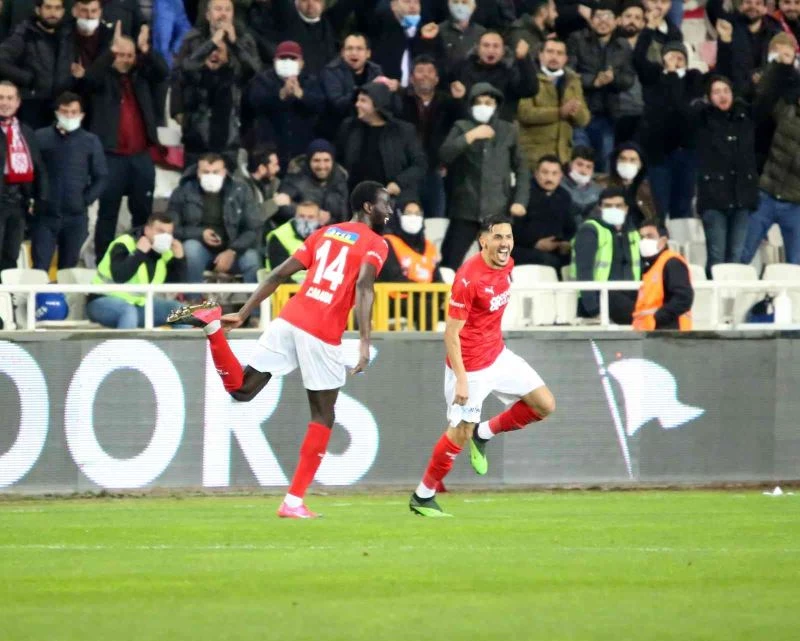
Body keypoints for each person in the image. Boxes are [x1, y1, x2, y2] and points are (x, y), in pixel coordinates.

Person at [166, 181, 392, 519]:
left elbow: (278, 273)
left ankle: (213, 329)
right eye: (386, 204)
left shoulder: (325, 233)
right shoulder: (376, 243)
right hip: (321, 330)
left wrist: (244, 312)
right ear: (368, 207)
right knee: (323, 415)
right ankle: (294, 501)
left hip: (291, 317)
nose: (390, 211)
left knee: (242, 389)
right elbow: (363, 286)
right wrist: (364, 342)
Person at [409, 215, 556, 517]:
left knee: (544, 405)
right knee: (458, 433)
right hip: (470, 366)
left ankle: (484, 432)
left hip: (498, 355)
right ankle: (422, 496)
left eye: (508, 237)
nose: (504, 243)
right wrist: (462, 379)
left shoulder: (507, 263)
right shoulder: (468, 278)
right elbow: (451, 334)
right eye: (498, 237)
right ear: (483, 241)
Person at [84, 22, 168, 262]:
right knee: (107, 213)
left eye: (129, 55)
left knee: (143, 213)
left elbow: (163, 72)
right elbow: (89, 79)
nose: (125, 59)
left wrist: (146, 51)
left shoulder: (142, 76)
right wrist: (110, 52)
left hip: (141, 156)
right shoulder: (102, 78)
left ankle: (140, 261)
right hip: (111, 156)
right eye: (120, 54)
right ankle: (104, 262)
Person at [439, 82, 529, 269]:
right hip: (465, 209)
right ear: (471, 105)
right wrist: (470, 136)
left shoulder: (508, 130)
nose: (483, 106)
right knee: (449, 264)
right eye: (478, 102)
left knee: (498, 267)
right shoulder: (462, 127)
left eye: (488, 103)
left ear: (496, 105)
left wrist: (520, 200)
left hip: (497, 210)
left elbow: (522, 168)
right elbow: (445, 154)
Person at [32, 91, 107, 271]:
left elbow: (101, 176)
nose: (69, 116)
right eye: (65, 111)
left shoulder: (91, 141)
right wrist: (36, 198)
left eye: (73, 112)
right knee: (39, 268)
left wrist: (85, 200)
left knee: (68, 270)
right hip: (45, 215)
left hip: (76, 217)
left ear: (81, 115)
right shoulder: (40, 137)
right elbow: (31, 170)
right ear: (57, 112)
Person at [692, 75, 758, 272]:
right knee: (717, 256)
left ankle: (733, 293)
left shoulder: (745, 119)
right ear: (708, 97)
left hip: (742, 198)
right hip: (713, 199)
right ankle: (713, 292)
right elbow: (683, 113)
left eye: (726, 91)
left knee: (736, 256)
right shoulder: (702, 121)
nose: (722, 96)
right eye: (716, 92)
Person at [168, 152, 262, 284]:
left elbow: (253, 228)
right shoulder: (183, 191)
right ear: (198, 173)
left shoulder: (241, 190)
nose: (210, 176)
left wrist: (233, 251)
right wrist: (200, 233)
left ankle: (255, 298)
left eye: (215, 172)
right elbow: (171, 228)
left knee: (252, 259)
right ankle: (192, 296)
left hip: (234, 249)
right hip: (200, 249)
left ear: (224, 172)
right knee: (191, 249)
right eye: (205, 172)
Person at [567, 1, 636, 172]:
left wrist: (613, 79)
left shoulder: (623, 45)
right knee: (579, 160)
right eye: (598, 16)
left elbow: (628, 79)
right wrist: (594, 81)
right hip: (580, 111)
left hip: (608, 115)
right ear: (590, 20)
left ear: (617, 21)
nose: (603, 21)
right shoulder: (577, 39)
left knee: (605, 163)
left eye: (608, 17)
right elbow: (568, 73)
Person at [88, 212, 185, 328]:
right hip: (102, 300)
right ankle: (127, 341)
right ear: (147, 230)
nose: (165, 237)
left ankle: (183, 341)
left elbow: (174, 284)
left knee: (180, 310)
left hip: (139, 305)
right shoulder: (124, 243)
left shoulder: (166, 253)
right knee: (128, 311)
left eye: (169, 233)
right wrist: (139, 253)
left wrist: (180, 259)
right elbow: (119, 276)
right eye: (160, 231)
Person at [337, 81, 427, 206]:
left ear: (377, 105)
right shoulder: (349, 127)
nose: (357, 104)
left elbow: (420, 164)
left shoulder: (403, 131)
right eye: (357, 100)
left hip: (392, 200)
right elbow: (338, 159)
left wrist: (398, 183)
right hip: (354, 199)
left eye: (363, 101)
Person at [247, 40, 325, 172]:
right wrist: (281, 94)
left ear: (302, 63)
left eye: (293, 58)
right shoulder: (262, 80)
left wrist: (301, 94)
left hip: (301, 150)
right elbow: (255, 102)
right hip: (270, 151)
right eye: (283, 58)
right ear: (274, 61)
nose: (288, 62)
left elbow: (320, 105)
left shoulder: (311, 81)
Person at [0, 0, 77, 128]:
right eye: (48, 7)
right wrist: (27, 78)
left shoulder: (67, 35)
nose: (53, 13)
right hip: (32, 106)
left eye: (57, 8)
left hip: (61, 106)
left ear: (63, 11)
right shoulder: (25, 33)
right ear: (38, 10)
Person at [517, 37, 590, 168]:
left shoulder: (573, 80)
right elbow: (525, 113)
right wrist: (559, 112)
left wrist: (576, 111)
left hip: (563, 157)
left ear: (565, 58)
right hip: (533, 155)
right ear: (540, 55)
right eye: (550, 51)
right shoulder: (528, 76)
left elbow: (584, 120)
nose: (554, 57)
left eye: (559, 53)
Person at [572, 186, 641, 324]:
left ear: (626, 208)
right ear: (600, 208)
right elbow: (584, 272)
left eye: (618, 206)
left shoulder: (632, 232)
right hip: (601, 296)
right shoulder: (590, 230)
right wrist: (593, 309)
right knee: (642, 318)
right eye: (608, 206)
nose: (613, 209)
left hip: (631, 293)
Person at [0, 80, 48, 271]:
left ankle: (7, 290)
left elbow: (38, 167)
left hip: (18, 203)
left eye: (9, 98)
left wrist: (41, 198)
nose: (5, 102)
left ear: (18, 102)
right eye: (0, 98)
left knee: (11, 256)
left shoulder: (25, 131)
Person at [512, 155, 576, 273]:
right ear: (536, 173)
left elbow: (570, 228)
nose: (549, 178)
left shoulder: (564, 196)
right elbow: (512, 228)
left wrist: (565, 243)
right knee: (549, 261)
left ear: (561, 176)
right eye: (545, 172)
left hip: (555, 249)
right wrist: (535, 243)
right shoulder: (522, 194)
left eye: (554, 173)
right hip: (522, 247)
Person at [318, 33, 383, 141]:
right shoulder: (331, 71)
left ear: (368, 53)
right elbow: (338, 105)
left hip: (368, 129)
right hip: (338, 130)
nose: (354, 53)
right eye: (349, 48)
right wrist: (360, 92)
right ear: (342, 52)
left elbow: (381, 102)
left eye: (359, 49)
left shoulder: (376, 70)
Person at [633, 222, 693, 330]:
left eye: (650, 236)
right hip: (653, 331)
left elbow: (683, 298)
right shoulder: (652, 266)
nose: (644, 241)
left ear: (663, 241)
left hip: (670, 333)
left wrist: (657, 316)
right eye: (642, 237)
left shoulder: (672, 263)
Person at [275, 138, 349, 225]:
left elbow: (344, 213)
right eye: (316, 160)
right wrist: (312, 214)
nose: (322, 166)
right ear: (308, 161)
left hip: (333, 231)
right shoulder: (294, 179)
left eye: (326, 160)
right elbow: (281, 207)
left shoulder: (340, 180)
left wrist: (330, 220)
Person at [265, 200, 323, 280]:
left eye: (311, 217)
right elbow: (279, 275)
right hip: (286, 286)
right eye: (301, 216)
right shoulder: (279, 237)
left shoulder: (327, 236)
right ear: (295, 216)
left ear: (319, 219)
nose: (306, 220)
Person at [562, 145, 603, 226]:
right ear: (570, 164)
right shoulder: (558, 186)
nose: (583, 171)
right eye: (579, 164)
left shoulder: (599, 191)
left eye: (589, 167)